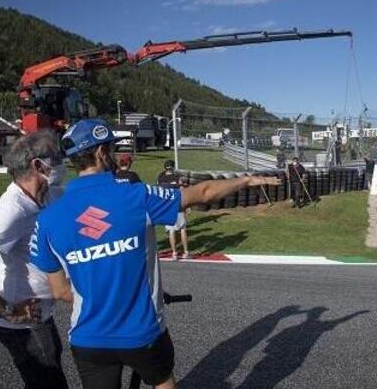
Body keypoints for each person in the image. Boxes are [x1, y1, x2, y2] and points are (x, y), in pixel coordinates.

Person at [29, 119, 278, 389]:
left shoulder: (47, 218)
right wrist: (247, 179)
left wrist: (99, 297)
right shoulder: (137, 195)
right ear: (101, 152)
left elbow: (58, 290)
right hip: (142, 332)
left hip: (88, 338)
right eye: (111, 148)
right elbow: (203, 192)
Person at [0, 131, 69, 389]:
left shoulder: (48, 194)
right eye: (57, 158)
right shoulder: (12, 209)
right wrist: (11, 312)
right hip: (23, 325)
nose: (63, 164)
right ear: (38, 165)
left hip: (42, 314)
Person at [157, 160, 189, 260]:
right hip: (178, 205)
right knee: (183, 229)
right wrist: (187, 206)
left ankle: (174, 253)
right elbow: (182, 191)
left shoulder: (161, 178)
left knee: (171, 230)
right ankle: (186, 252)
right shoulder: (177, 177)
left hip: (167, 206)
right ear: (173, 167)